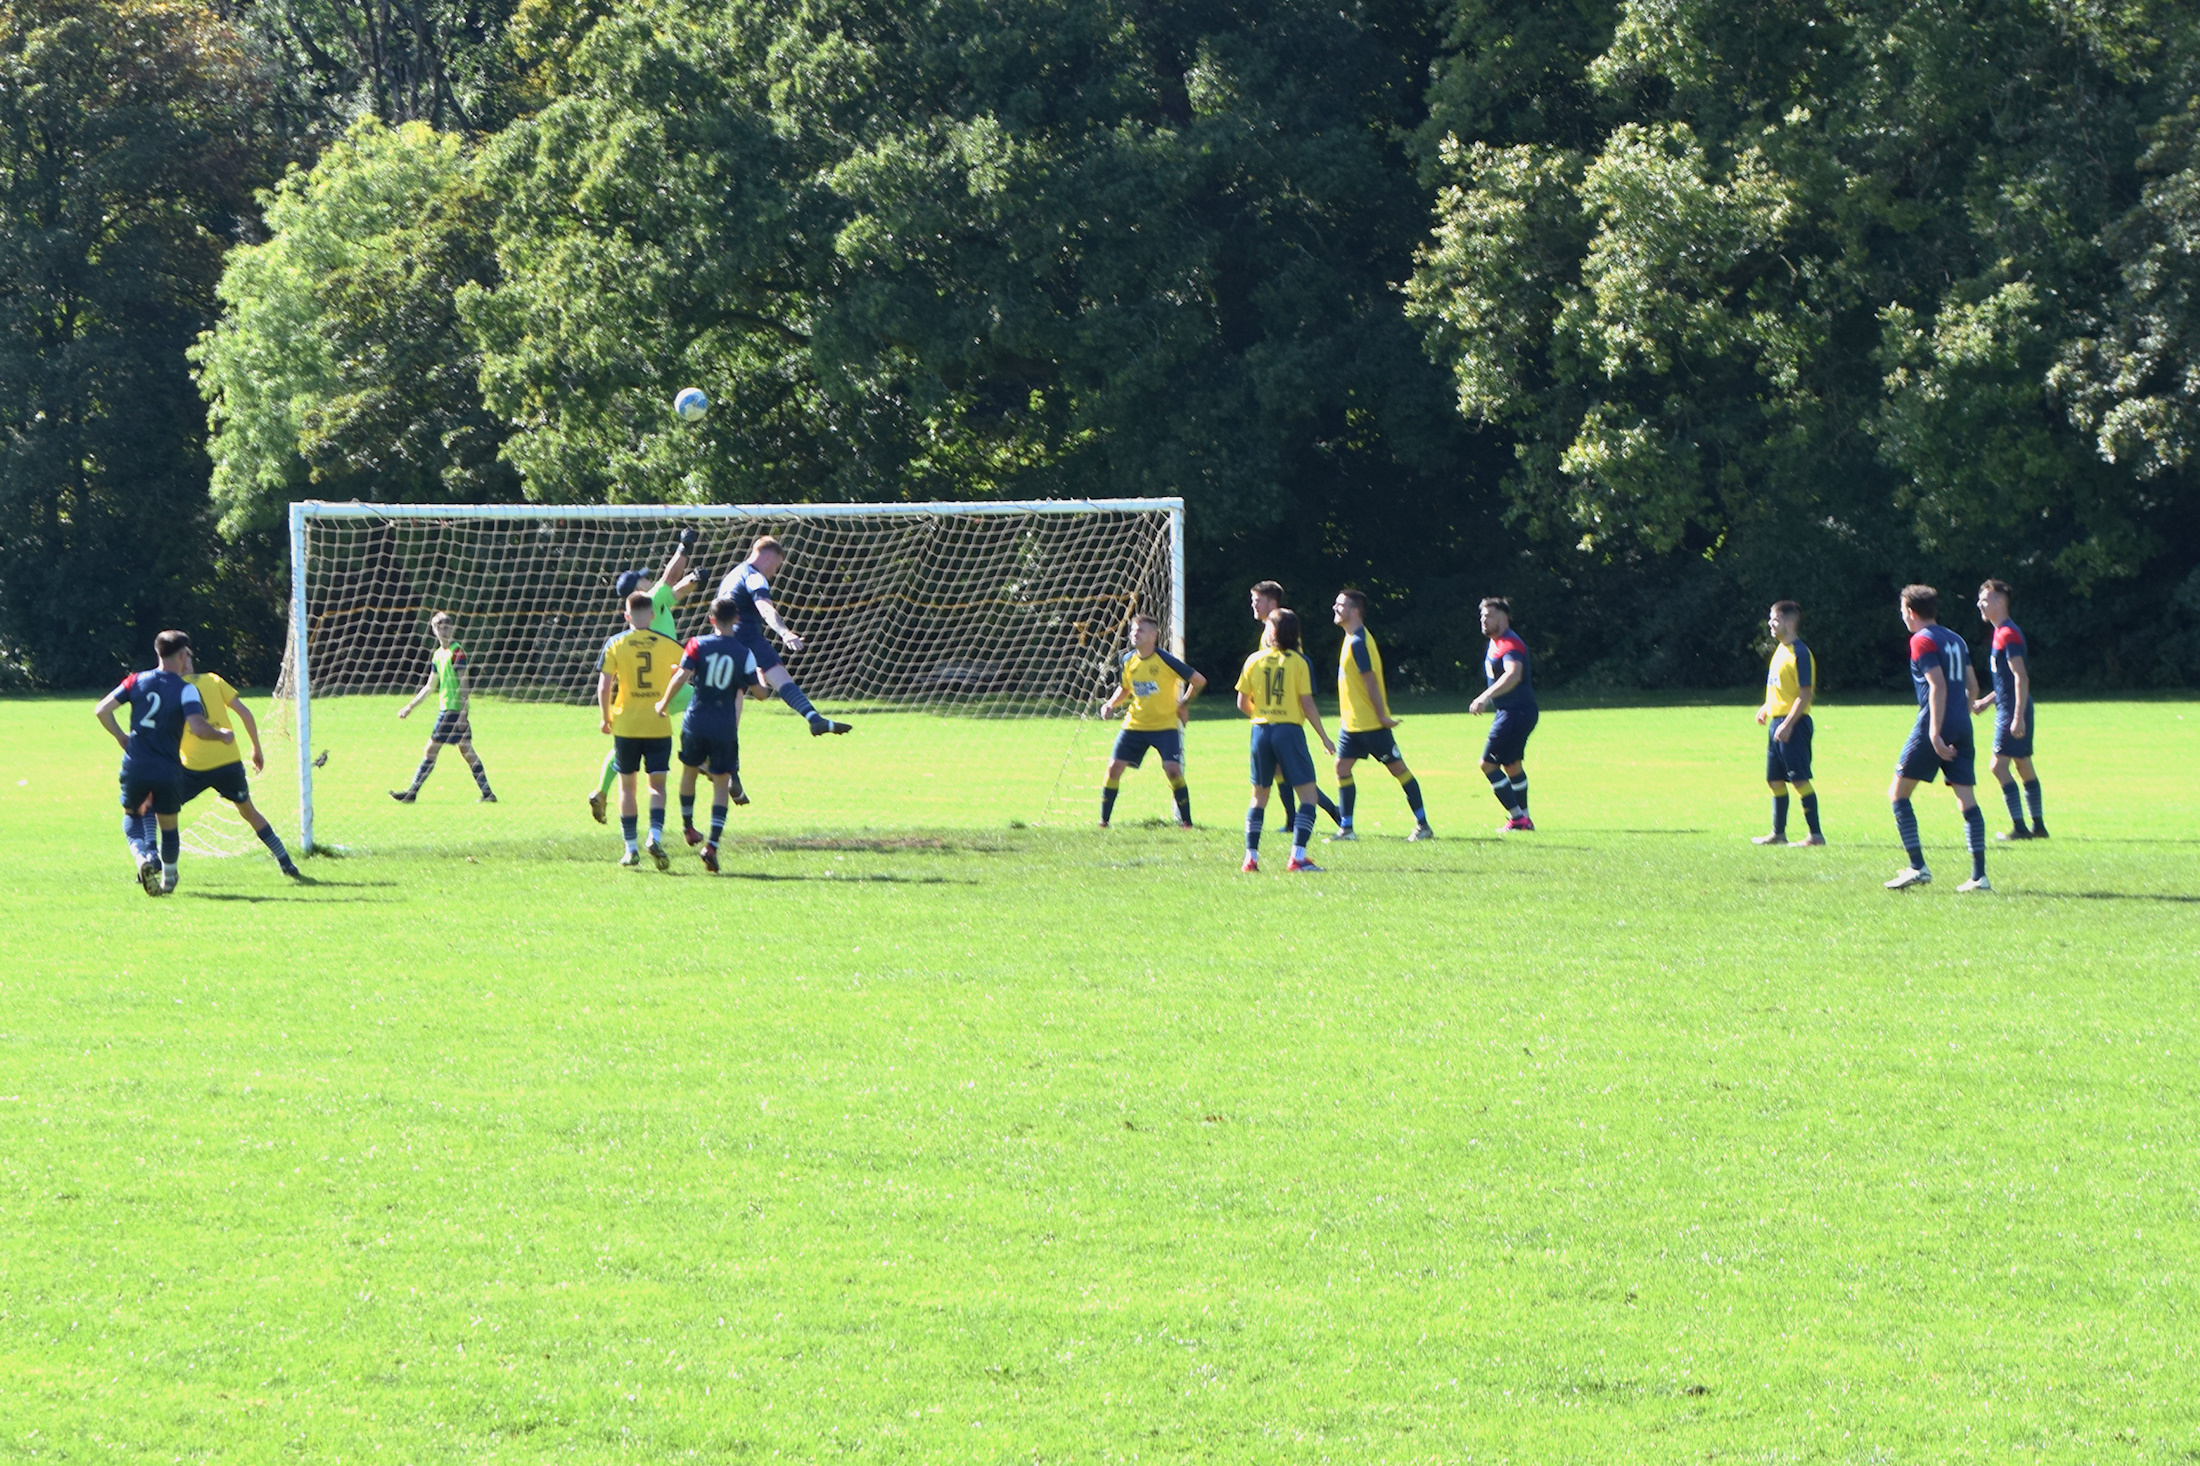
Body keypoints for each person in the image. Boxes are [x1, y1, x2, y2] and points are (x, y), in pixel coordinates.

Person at [93, 630, 231, 896]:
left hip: (135, 764)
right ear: (182, 655)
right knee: (168, 825)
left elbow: (102, 710)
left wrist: (122, 736)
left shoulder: (136, 680)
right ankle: (169, 879)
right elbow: (199, 728)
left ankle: (141, 858)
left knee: (132, 815)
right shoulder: (186, 689)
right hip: (167, 768)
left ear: (158, 653)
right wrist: (221, 735)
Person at [588, 530, 699, 822]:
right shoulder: (651, 597)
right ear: (637, 589)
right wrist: (684, 547)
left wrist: (695, 580)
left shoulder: (647, 609)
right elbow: (671, 576)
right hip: (668, 684)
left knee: (626, 746)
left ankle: (601, 790)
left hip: (636, 692)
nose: (648, 578)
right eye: (643, 577)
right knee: (703, 704)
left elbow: (676, 590)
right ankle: (705, 761)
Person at [1886, 584, 1990, 892]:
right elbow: (1972, 685)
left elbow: (1937, 686)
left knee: (1898, 794)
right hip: (1962, 725)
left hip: (1935, 724)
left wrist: (1933, 732)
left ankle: (1917, 866)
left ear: (1912, 612)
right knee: (1966, 801)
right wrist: (1965, 709)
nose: (1903, 617)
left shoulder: (1921, 640)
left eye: (1903, 611)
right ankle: (1979, 876)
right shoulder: (1955, 639)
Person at [654, 597, 765, 873]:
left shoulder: (696, 644)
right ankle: (712, 845)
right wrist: (760, 677)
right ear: (737, 619)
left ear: (711, 619)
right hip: (724, 727)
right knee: (720, 784)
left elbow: (680, 677)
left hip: (696, 722)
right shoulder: (745, 653)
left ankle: (688, 827)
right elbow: (761, 694)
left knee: (689, 773)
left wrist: (662, 704)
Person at [715, 536, 852, 737]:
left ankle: (719, 752)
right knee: (780, 678)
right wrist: (784, 632)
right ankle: (814, 719)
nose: (775, 572)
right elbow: (765, 608)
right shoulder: (754, 576)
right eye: (777, 566)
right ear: (769, 558)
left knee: (735, 695)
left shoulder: (732, 575)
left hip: (723, 641)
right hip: (747, 637)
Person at [178, 662, 304, 878]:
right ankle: (285, 860)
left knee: (160, 809)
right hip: (228, 760)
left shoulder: (171, 687)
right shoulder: (213, 679)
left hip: (194, 765)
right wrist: (256, 747)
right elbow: (244, 713)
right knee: (248, 811)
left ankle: (151, 863)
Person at [1234, 608, 1335, 873]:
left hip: (1260, 731)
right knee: (1308, 796)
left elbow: (1242, 702)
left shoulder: (1253, 660)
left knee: (1258, 798)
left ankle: (1250, 859)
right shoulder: (1299, 662)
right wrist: (1324, 737)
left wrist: (1263, 714)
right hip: (1289, 732)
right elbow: (1307, 703)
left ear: (1274, 632)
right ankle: (1297, 857)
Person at [1328, 588, 1432, 842]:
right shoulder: (1350, 637)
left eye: (1340, 605)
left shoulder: (1359, 642)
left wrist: (1382, 716)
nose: (1334, 608)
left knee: (1398, 770)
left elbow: (1371, 682)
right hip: (1351, 725)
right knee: (1341, 768)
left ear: (1354, 611)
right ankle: (1347, 829)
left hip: (1371, 724)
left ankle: (1423, 825)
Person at [1247, 580, 1343, 833]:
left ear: (1272, 603)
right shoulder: (1269, 632)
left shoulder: (1283, 634)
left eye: (1258, 600)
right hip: (1272, 720)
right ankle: (1298, 819)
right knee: (1283, 772)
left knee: (1292, 776)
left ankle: (1327, 813)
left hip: (1282, 720)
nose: (1254, 605)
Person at [599, 590, 684, 869]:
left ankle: (630, 848)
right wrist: (667, 697)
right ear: (652, 615)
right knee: (657, 786)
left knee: (627, 787)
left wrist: (605, 717)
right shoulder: (667, 644)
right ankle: (655, 835)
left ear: (626, 616)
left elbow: (604, 685)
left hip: (627, 724)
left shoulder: (615, 643)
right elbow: (686, 670)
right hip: (657, 723)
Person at [1098, 614, 1204, 827]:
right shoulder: (1127, 660)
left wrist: (1182, 704)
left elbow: (1198, 680)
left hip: (1164, 726)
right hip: (1135, 724)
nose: (1135, 634)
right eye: (1134, 630)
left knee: (1172, 769)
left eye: (1141, 630)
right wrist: (1110, 704)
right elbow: (1126, 687)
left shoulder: (1165, 660)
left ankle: (1187, 823)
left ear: (1154, 636)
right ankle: (1104, 822)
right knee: (1113, 768)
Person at [392, 611, 496, 803]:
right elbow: (430, 686)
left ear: (452, 628)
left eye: (447, 627)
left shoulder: (457, 652)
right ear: (433, 630)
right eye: (439, 627)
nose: (444, 630)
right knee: (467, 751)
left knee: (430, 750)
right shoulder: (438, 655)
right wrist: (410, 707)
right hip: (450, 710)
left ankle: (412, 793)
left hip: (452, 710)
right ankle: (488, 793)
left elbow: (464, 683)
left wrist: (463, 714)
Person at [1972, 579, 2047, 840]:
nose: (1980, 603)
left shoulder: (2008, 634)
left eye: (1986, 598)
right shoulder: (2001, 633)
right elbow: (2006, 681)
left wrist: (2017, 717)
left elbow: (2021, 677)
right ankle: (2038, 827)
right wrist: (1987, 701)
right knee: (2023, 766)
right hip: (2011, 707)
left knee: (1997, 767)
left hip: (2014, 711)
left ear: (2001, 601)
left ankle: (2020, 828)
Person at [1754, 600, 1824, 847]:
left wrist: (1789, 724)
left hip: (1794, 723)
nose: (1771, 624)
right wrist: (1767, 707)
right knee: (1774, 780)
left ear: (1789, 622)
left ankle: (1815, 835)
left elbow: (1805, 694)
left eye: (1775, 619)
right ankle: (1778, 833)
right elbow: (1780, 686)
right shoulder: (1781, 650)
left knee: (1799, 779)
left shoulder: (1800, 653)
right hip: (1778, 721)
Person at [1469, 597, 1538, 831]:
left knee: (1487, 764)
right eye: (1482, 616)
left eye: (1489, 616)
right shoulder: (1495, 642)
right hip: (1516, 712)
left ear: (1503, 617)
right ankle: (1524, 819)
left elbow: (1513, 674)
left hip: (1515, 712)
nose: (1484, 620)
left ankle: (1518, 818)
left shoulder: (1510, 643)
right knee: (1512, 764)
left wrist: (1485, 696)